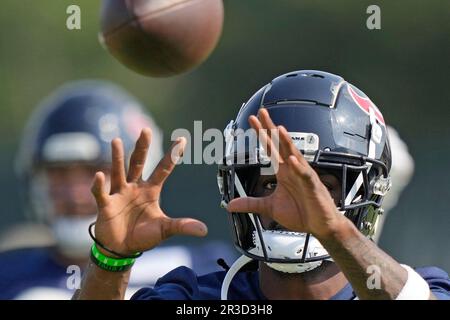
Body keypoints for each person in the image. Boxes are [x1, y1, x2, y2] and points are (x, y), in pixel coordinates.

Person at [74, 70, 450, 300]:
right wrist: (110, 261)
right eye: (270, 182)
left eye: (319, 185)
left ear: (368, 190)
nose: (290, 202)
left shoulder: (417, 287)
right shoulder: (195, 296)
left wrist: (333, 230)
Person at [0, 80, 236, 299]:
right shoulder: (9, 275)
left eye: (96, 171)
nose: (76, 194)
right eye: (59, 174)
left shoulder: (205, 267)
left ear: (144, 169)